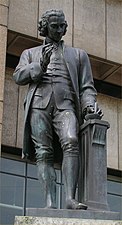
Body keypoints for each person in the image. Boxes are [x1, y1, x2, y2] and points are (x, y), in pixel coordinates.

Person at [13, 9, 102, 210]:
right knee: (44, 152)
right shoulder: (30, 53)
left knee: (71, 141)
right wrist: (39, 66)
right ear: (45, 27)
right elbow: (18, 76)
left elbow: (87, 87)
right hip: (38, 104)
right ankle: (50, 203)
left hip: (66, 105)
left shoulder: (79, 55)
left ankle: (70, 198)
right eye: (54, 26)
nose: (59, 30)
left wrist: (89, 105)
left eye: (62, 26)